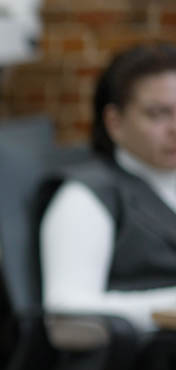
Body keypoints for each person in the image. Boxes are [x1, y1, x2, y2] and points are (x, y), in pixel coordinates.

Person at [40, 43, 176, 333]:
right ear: (115, 122)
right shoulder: (87, 196)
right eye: (158, 114)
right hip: (146, 356)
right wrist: (167, 305)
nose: (174, 128)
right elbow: (66, 310)